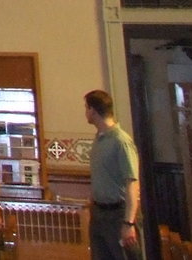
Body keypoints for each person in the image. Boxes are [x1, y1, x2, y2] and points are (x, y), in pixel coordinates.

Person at [85, 89, 140, 260]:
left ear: (93, 110)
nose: (85, 112)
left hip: (117, 214)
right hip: (99, 213)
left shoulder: (121, 141)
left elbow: (132, 182)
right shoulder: (99, 139)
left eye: (86, 108)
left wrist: (128, 222)